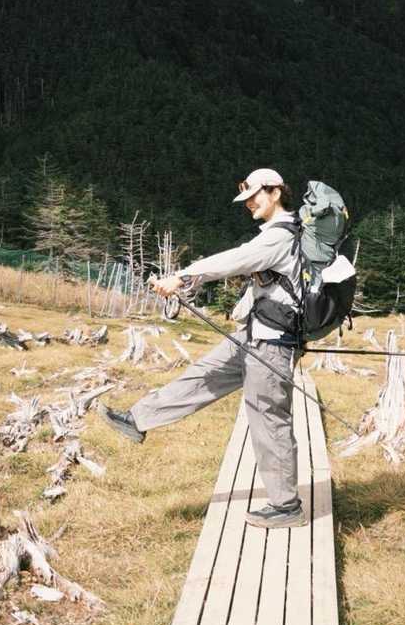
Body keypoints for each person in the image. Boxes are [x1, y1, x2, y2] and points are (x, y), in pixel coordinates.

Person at [101, 168, 307, 529]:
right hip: (254, 334)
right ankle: (139, 419)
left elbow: (234, 260)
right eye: (246, 199)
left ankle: (286, 506)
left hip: (273, 343)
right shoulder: (276, 234)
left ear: (275, 192)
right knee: (203, 374)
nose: (249, 204)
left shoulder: (280, 235)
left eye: (255, 196)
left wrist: (182, 277)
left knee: (268, 418)